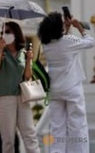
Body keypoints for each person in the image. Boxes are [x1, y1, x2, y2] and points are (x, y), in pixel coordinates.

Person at [38, 12, 94, 153]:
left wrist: (67, 28)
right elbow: (90, 42)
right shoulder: (67, 42)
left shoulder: (47, 44)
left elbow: (64, 42)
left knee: (57, 127)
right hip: (72, 88)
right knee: (77, 125)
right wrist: (80, 28)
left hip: (55, 90)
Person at [0, 21, 39, 153]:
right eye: (3, 32)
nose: (5, 34)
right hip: (5, 99)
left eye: (8, 31)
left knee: (30, 134)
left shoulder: (23, 52)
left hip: (22, 97)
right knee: (8, 139)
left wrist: (29, 61)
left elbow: (27, 76)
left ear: (16, 33)